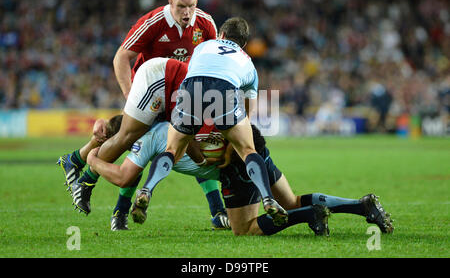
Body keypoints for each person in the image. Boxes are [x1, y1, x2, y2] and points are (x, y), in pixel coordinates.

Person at [57, 0, 225, 227]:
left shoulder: (206, 24)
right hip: (151, 90)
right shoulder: (153, 22)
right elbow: (121, 57)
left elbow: (212, 60)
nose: (186, 13)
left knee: (192, 140)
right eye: (181, 7)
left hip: (179, 92)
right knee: (135, 143)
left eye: (191, 6)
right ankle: (111, 203)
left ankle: (78, 162)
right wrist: (131, 94)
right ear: (170, 2)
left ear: (197, 3)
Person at [87, 119, 394, 236]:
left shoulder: (146, 139)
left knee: (244, 230)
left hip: (234, 165)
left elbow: (123, 177)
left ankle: (310, 216)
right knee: (291, 198)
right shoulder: (170, 117)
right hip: (252, 145)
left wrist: (92, 158)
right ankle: (362, 206)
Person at [133, 17, 289, 227]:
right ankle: (268, 198)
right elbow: (248, 110)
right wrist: (236, 139)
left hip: (192, 87)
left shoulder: (203, 46)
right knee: (248, 150)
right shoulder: (248, 63)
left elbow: (193, 72)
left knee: (172, 149)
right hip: (225, 87)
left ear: (221, 35)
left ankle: (146, 190)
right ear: (243, 44)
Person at [58, 58, 229, 230]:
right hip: (168, 95)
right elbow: (122, 57)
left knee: (130, 147)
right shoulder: (149, 138)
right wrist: (92, 160)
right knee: (131, 151)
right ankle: (110, 202)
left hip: (172, 103)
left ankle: (87, 176)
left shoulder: (150, 133)